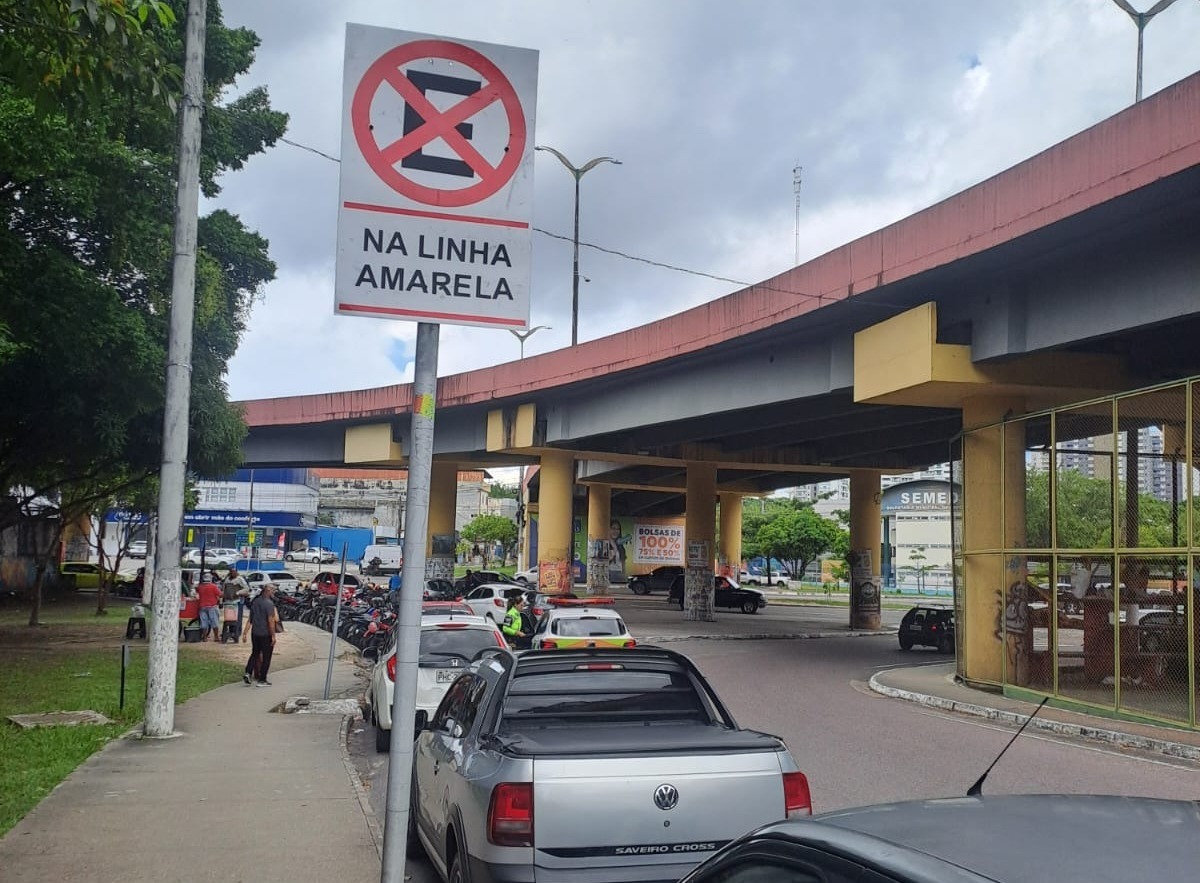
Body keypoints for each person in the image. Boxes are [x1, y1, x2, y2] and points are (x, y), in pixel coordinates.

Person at [242, 583, 278, 686]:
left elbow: (250, 619)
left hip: (255, 633)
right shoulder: (269, 604)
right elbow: (270, 620)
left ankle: (248, 672)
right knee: (266, 656)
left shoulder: (256, 602)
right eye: (273, 591)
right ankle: (262, 679)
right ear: (268, 591)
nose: (273, 593)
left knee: (255, 653)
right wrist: (273, 635)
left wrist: (245, 633)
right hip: (265, 633)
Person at [196, 572, 223, 643]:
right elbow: (220, 595)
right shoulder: (213, 586)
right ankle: (216, 637)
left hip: (202, 606)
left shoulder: (200, 586)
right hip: (212, 606)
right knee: (214, 622)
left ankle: (204, 637)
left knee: (204, 622)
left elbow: (198, 593)